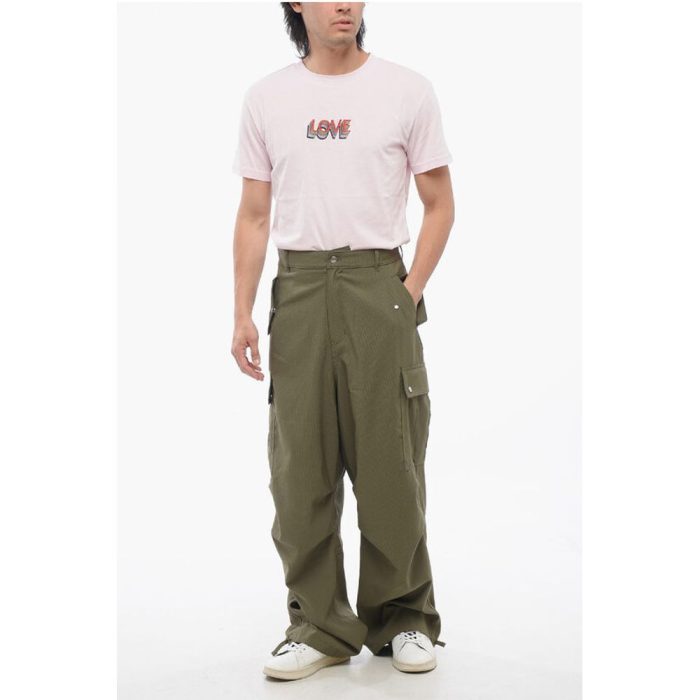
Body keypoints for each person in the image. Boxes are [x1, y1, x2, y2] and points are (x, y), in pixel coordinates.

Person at [230, 2, 455, 681]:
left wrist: (407, 292)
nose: (345, 4)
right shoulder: (267, 98)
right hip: (298, 291)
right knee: (299, 470)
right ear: (296, 3)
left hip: (377, 284)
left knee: (390, 462)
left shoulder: (406, 90)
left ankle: (404, 617)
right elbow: (254, 214)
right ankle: (319, 626)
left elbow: (439, 202)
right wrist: (241, 312)